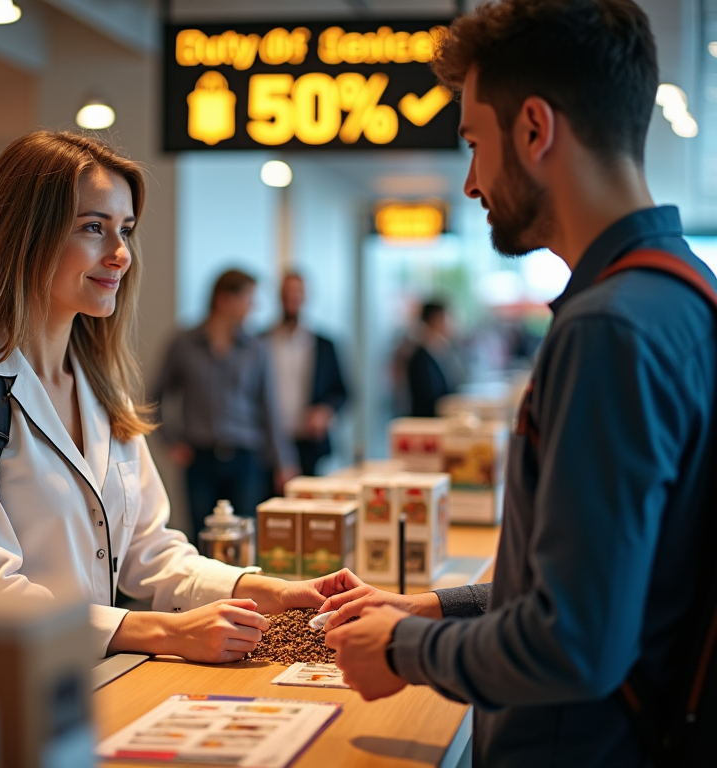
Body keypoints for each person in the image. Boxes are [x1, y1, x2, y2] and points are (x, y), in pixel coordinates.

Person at [319, 1, 717, 765]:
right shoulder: (683, 294)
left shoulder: (609, 331)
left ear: (535, 129)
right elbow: (588, 587)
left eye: (474, 143)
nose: (470, 183)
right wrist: (430, 607)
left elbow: (577, 643)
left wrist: (407, 648)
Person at [0, 131, 355, 662]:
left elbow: (148, 551)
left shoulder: (99, 390)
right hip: (3, 704)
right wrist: (162, 632)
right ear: (24, 236)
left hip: (97, 689)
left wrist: (268, 590)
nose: (119, 255)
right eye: (93, 228)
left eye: (125, 231)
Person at [152, 269, 298, 537]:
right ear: (223, 299)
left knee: (243, 537)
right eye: (247, 299)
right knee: (201, 538)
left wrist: (284, 462)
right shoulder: (184, 343)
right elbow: (153, 398)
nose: (252, 308)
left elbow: (269, 409)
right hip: (200, 459)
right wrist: (170, 442)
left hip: (246, 458)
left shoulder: (256, 348)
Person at [264, 272, 349, 477]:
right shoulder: (261, 341)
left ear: (305, 297)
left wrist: (325, 411)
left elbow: (343, 391)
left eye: (297, 292)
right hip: (269, 444)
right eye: (287, 293)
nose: (292, 298)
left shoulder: (324, 345)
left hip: (310, 443)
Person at [406, 300, 463, 417]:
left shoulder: (441, 352)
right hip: (427, 426)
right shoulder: (420, 359)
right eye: (448, 319)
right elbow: (430, 400)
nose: (451, 324)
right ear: (436, 320)